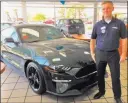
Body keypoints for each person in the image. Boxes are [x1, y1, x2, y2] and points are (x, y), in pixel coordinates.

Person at [90, 1, 127, 103]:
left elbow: (124, 39)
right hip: (100, 53)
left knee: (115, 77)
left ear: (112, 8)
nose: (106, 10)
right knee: (100, 75)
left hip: (113, 54)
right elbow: (92, 39)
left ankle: (117, 97)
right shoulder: (97, 25)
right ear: (101, 10)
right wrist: (92, 52)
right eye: (103, 9)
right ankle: (101, 91)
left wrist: (123, 53)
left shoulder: (119, 23)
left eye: (108, 8)